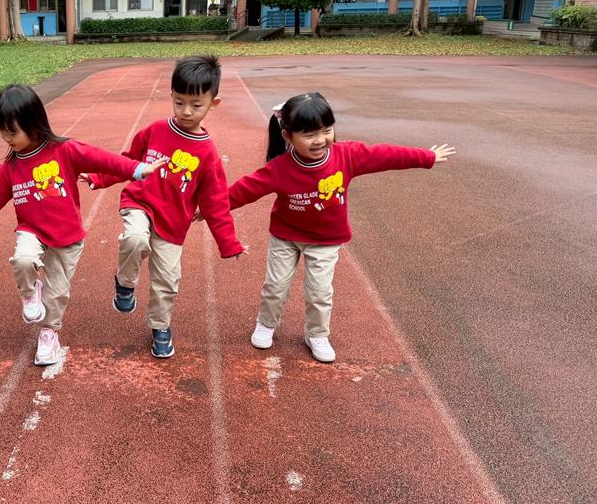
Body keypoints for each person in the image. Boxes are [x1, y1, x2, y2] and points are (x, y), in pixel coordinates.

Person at [0, 84, 165, 366]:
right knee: (23, 259)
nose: (6, 138)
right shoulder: (10, 168)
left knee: (57, 293)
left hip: (67, 237)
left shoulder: (65, 150)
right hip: (31, 230)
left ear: (34, 125)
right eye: (2, 131)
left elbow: (103, 159)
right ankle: (30, 293)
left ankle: (49, 332)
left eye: (12, 132)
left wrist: (137, 169)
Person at [227, 92, 456, 362]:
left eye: (327, 130)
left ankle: (317, 334)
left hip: (325, 240)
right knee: (275, 286)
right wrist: (212, 208)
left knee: (319, 292)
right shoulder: (279, 168)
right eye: (309, 134)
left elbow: (385, 155)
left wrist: (426, 157)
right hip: (286, 237)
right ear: (288, 136)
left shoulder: (347, 155)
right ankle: (266, 324)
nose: (320, 140)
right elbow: (245, 190)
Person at [84, 55, 246, 359]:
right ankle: (125, 284)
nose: (186, 111)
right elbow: (128, 161)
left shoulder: (208, 155)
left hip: (173, 224)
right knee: (135, 239)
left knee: (167, 282)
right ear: (171, 95)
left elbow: (216, 203)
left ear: (213, 103)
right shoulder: (156, 130)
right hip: (139, 203)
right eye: (179, 102)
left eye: (196, 105)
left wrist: (228, 243)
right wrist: (97, 177)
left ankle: (160, 326)